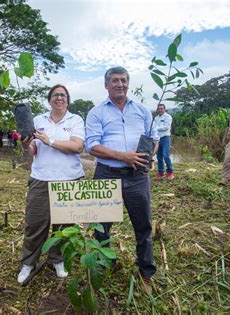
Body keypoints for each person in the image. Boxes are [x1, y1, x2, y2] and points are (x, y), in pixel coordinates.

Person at [85, 66, 158, 294]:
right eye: (114, 80)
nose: (120, 84)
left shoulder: (143, 110)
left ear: (128, 83)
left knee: (143, 225)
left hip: (137, 177)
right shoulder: (97, 112)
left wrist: (149, 155)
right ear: (106, 85)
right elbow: (92, 146)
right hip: (107, 174)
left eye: (123, 80)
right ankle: (104, 264)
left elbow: (154, 137)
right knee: (102, 226)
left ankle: (146, 272)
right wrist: (122, 156)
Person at [17, 84, 85, 284]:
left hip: (69, 179)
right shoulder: (38, 120)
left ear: (68, 100)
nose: (59, 98)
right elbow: (33, 150)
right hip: (41, 178)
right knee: (35, 223)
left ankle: (58, 259)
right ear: (49, 100)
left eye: (63, 95)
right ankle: (28, 262)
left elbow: (77, 146)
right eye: (55, 95)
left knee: (64, 225)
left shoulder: (76, 120)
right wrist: (25, 143)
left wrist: (50, 141)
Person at [154, 103, 174, 180]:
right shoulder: (156, 118)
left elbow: (166, 127)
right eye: (159, 108)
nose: (160, 110)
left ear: (164, 109)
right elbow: (154, 127)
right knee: (159, 157)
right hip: (158, 139)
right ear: (157, 109)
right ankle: (161, 173)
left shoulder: (168, 117)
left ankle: (170, 172)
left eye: (162, 108)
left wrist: (156, 128)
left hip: (165, 138)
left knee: (166, 155)